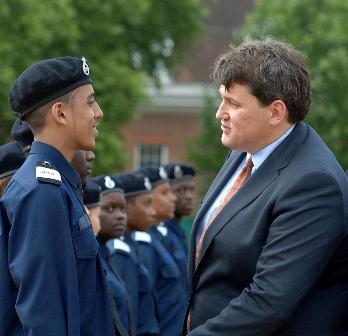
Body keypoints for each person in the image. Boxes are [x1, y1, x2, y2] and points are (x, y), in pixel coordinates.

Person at [184, 38, 348, 335]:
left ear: (275, 112)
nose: (220, 113)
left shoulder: (314, 184)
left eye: (233, 103)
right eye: (222, 98)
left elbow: (269, 302)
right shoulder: (244, 149)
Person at [0, 56, 119, 335]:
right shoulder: (41, 192)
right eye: (90, 102)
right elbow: (45, 316)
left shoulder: (58, 184)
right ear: (60, 113)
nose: (98, 112)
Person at [137, 166, 187, 336]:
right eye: (165, 193)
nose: (173, 198)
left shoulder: (164, 235)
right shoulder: (142, 242)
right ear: (147, 198)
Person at [111, 171, 160, 336]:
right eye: (146, 204)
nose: (152, 212)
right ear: (126, 208)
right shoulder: (120, 253)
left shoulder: (131, 246)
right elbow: (127, 317)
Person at [92, 175, 135, 336]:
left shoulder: (107, 254)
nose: (120, 216)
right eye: (110, 209)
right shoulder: (91, 259)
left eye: (123, 209)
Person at [164, 163, 196, 296]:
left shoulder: (178, 231)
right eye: (180, 190)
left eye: (191, 189)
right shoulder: (161, 234)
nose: (189, 196)